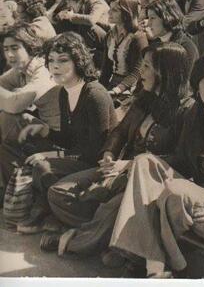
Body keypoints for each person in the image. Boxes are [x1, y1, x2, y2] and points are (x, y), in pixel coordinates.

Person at [108, 48, 204, 278]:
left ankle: (149, 263)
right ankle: (156, 269)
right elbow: (181, 162)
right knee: (143, 162)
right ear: (197, 87)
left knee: (174, 191)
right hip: (197, 199)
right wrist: (134, 166)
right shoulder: (194, 115)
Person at [39, 42, 193, 255]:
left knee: (112, 208)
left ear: (165, 71)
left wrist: (129, 164)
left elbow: (182, 159)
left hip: (147, 182)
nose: (141, 73)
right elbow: (119, 132)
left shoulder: (187, 109)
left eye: (147, 67)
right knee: (58, 192)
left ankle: (77, 241)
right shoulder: (144, 99)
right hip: (118, 171)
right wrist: (109, 154)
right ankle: (113, 233)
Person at [16, 32, 117, 233]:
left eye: (63, 60)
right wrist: (45, 131)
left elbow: (96, 149)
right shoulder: (64, 91)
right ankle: (50, 213)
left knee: (43, 166)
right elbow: (69, 138)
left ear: (78, 61)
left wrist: (53, 155)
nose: (55, 66)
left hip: (97, 163)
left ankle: (47, 215)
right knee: (31, 149)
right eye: (51, 60)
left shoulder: (94, 94)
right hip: (79, 155)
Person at [0, 24, 60, 187]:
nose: (9, 54)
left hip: (61, 138)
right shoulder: (22, 67)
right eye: (6, 49)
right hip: (43, 130)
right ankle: (11, 185)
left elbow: (14, 105)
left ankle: (17, 186)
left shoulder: (43, 69)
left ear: (29, 46)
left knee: (8, 117)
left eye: (15, 48)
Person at [99, 0, 148, 96]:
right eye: (110, 8)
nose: (109, 12)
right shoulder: (110, 35)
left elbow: (137, 71)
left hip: (131, 87)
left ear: (126, 14)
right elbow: (106, 67)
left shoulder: (138, 37)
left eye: (115, 10)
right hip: (113, 84)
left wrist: (118, 89)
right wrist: (100, 89)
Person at [146, 0, 198, 68]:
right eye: (148, 18)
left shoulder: (186, 48)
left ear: (167, 18)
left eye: (152, 18)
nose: (148, 24)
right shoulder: (156, 42)